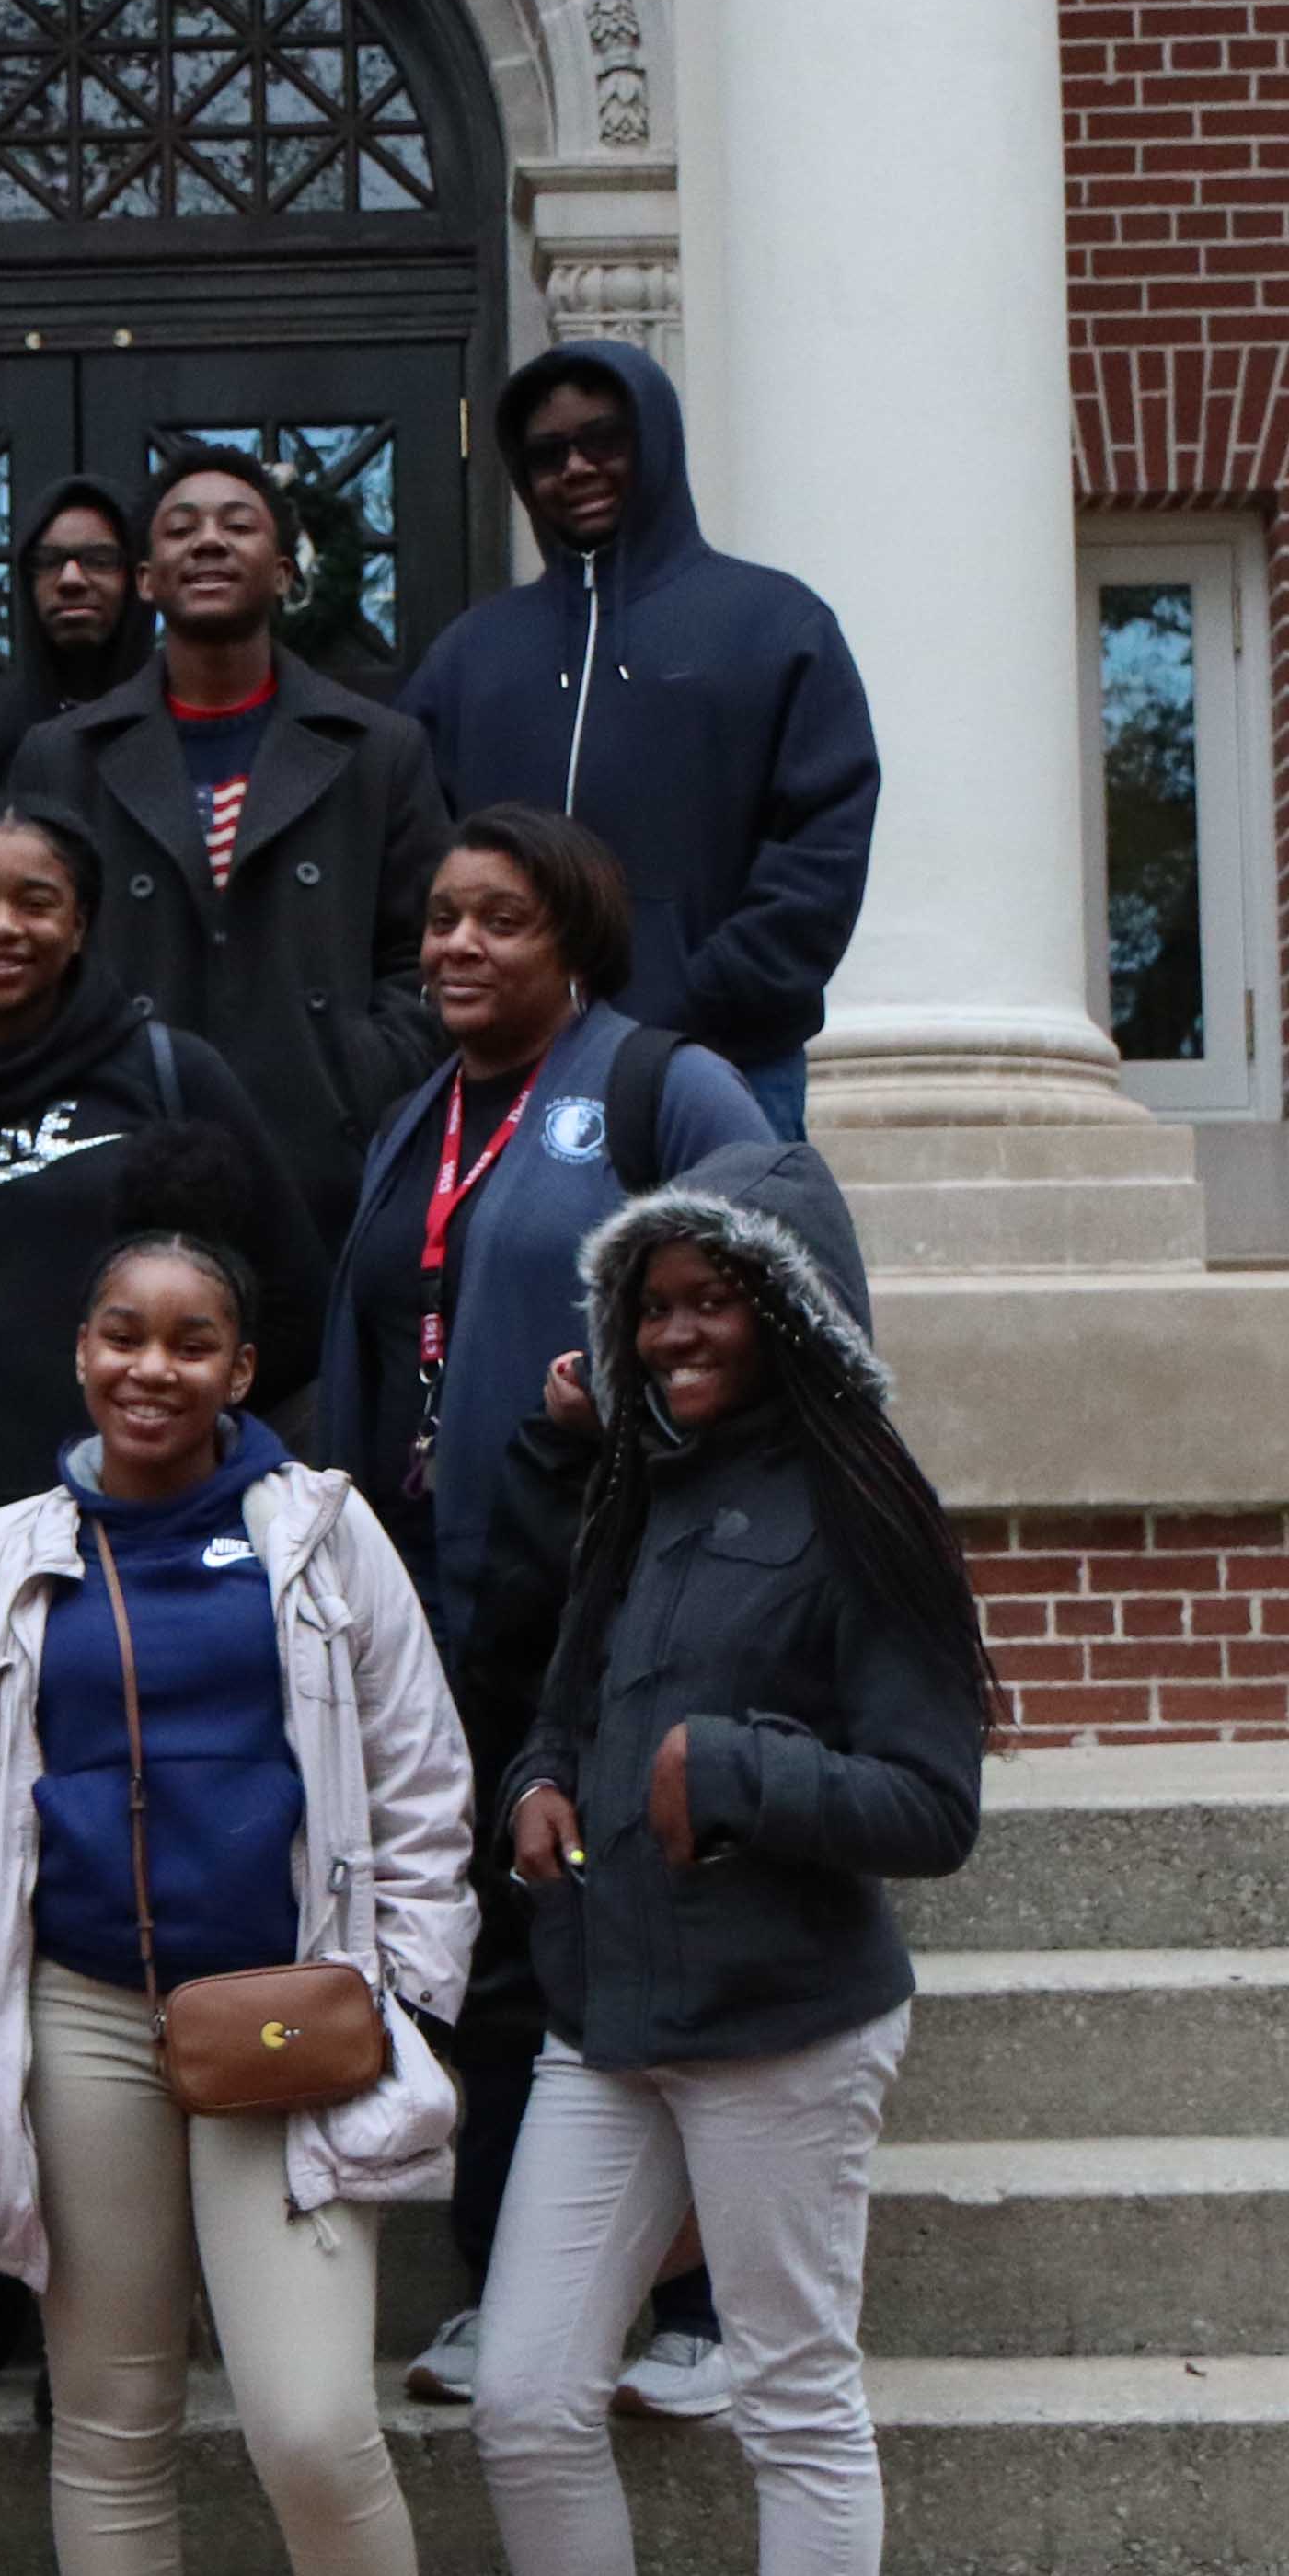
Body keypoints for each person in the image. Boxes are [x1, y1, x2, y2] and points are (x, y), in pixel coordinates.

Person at [0, 1197, 478, 2576]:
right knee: (112, 2418)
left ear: (238, 1367)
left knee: (308, 2422)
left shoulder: (320, 1536)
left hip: (282, 2024)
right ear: (80, 1351)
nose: (151, 1367)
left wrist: (402, 2000)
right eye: (121, 1333)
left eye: (190, 1341)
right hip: (78, 2019)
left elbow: (423, 1785)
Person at [481, 1138, 989, 2576]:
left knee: (791, 2389)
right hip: (610, 2011)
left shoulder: (861, 1509)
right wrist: (540, 1780)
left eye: (711, 1299)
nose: (675, 1328)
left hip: (783, 2019)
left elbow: (932, 1803)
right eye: (652, 1300)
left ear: (789, 1311)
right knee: (528, 2386)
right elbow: (559, 1704)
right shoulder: (633, 1486)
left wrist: (741, 1773)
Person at [310, 805, 776, 2420]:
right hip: (451, 1602)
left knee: (639, 1928)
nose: (454, 946)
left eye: (497, 920)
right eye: (439, 918)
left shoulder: (660, 1086)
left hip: (626, 1592)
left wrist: (639, 1401)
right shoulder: (414, 1118)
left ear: (569, 938)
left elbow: (773, 1289)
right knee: (493, 1951)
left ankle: (705, 2305)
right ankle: (512, 2293)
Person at [0, 797, 323, 1609]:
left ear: (78, 926)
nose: (1, 926)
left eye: (35, 903)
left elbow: (292, 1298)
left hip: (143, 1525)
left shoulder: (171, 1078)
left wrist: (169, 1435)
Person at [400, 341, 880, 1141]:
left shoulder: (773, 625)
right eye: (548, 453)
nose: (577, 468)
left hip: (721, 1065)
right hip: (507, 1070)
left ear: (654, 444)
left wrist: (698, 993)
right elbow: (412, 854)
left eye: (604, 441)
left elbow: (820, 850)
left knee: (714, 1271)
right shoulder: (467, 657)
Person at [5, 446, 449, 1219]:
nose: (208, 541)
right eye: (180, 529)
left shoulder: (379, 750)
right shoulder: (59, 758)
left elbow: (429, 954)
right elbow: (20, 956)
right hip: (114, 1155)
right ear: (145, 580)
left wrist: (361, 1071)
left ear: (282, 572)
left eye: (237, 525)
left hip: (319, 1161)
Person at [0, 473, 154, 771]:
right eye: (47, 561)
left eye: (99, 560)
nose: (71, 580)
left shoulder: (177, 727)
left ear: (138, 576)